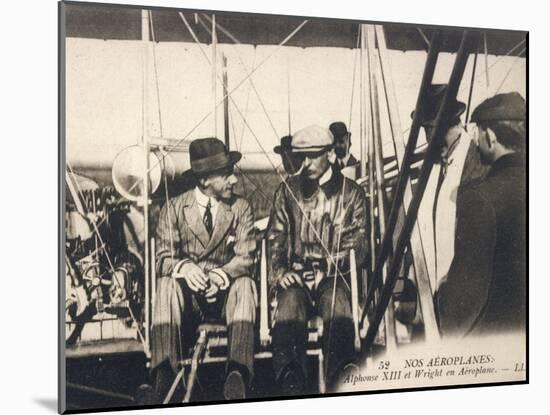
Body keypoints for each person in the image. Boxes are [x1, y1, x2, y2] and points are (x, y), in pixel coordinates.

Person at [151, 138, 257, 401]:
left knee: (245, 284)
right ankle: (164, 373)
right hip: (188, 301)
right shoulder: (173, 209)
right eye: (226, 174)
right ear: (205, 181)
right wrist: (185, 268)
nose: (233, 180)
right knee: (165, 284)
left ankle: (237, 373)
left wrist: (220, 276)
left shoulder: (241, 209)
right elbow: (162, 258)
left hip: (224, 297)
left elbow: (246, 257)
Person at [267, 125, 368, 394]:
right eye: (301, 157)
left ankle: (342, 374)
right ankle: (290, 378)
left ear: (330, 154)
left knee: (337, 302)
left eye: (312, 156)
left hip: (334, 277)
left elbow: (357, 243)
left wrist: (327, 266)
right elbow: (276, 239)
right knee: (288, 305)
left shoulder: (353, 194)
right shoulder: (286, 192)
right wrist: (280, 272)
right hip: (296, 276)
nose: (306, 163)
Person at [436, 92, 526, 337]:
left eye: (478, 131)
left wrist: (444, 295)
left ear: (491, 136)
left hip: (495, 337)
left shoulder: (480, 198)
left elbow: (466, 292)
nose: (474, 140)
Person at [416, 84, 486, 296]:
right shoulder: (436, 162)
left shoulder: (474, 161)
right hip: (434, 288)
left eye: (428, 130)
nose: (427, 140)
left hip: (462, 289)